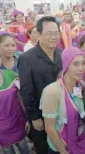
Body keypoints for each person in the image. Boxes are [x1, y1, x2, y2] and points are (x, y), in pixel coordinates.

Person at [18, 16, 62, 154]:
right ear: (38, 34)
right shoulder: (26, 58)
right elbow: (26, 90)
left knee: (61, 145)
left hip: (61, 113)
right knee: (44, 148)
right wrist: (34, 117)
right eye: (49, 33)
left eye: (56, 33)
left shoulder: (61, 54)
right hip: (40, 116)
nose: (53, 37)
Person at [40, 47, 85, 154]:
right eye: (75, 64)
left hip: (79, 142)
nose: (81, 68)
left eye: (83, 63)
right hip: (61, 147)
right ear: (66, 65)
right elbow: (50, 128)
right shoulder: (53, 91)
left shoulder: (81, 85)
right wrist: (62, 151)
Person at [0, 51, 30, 154]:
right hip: (2, 131)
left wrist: (28, 118)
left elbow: (22, 97)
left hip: (18, 123)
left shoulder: (12, 76)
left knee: (24, 148)